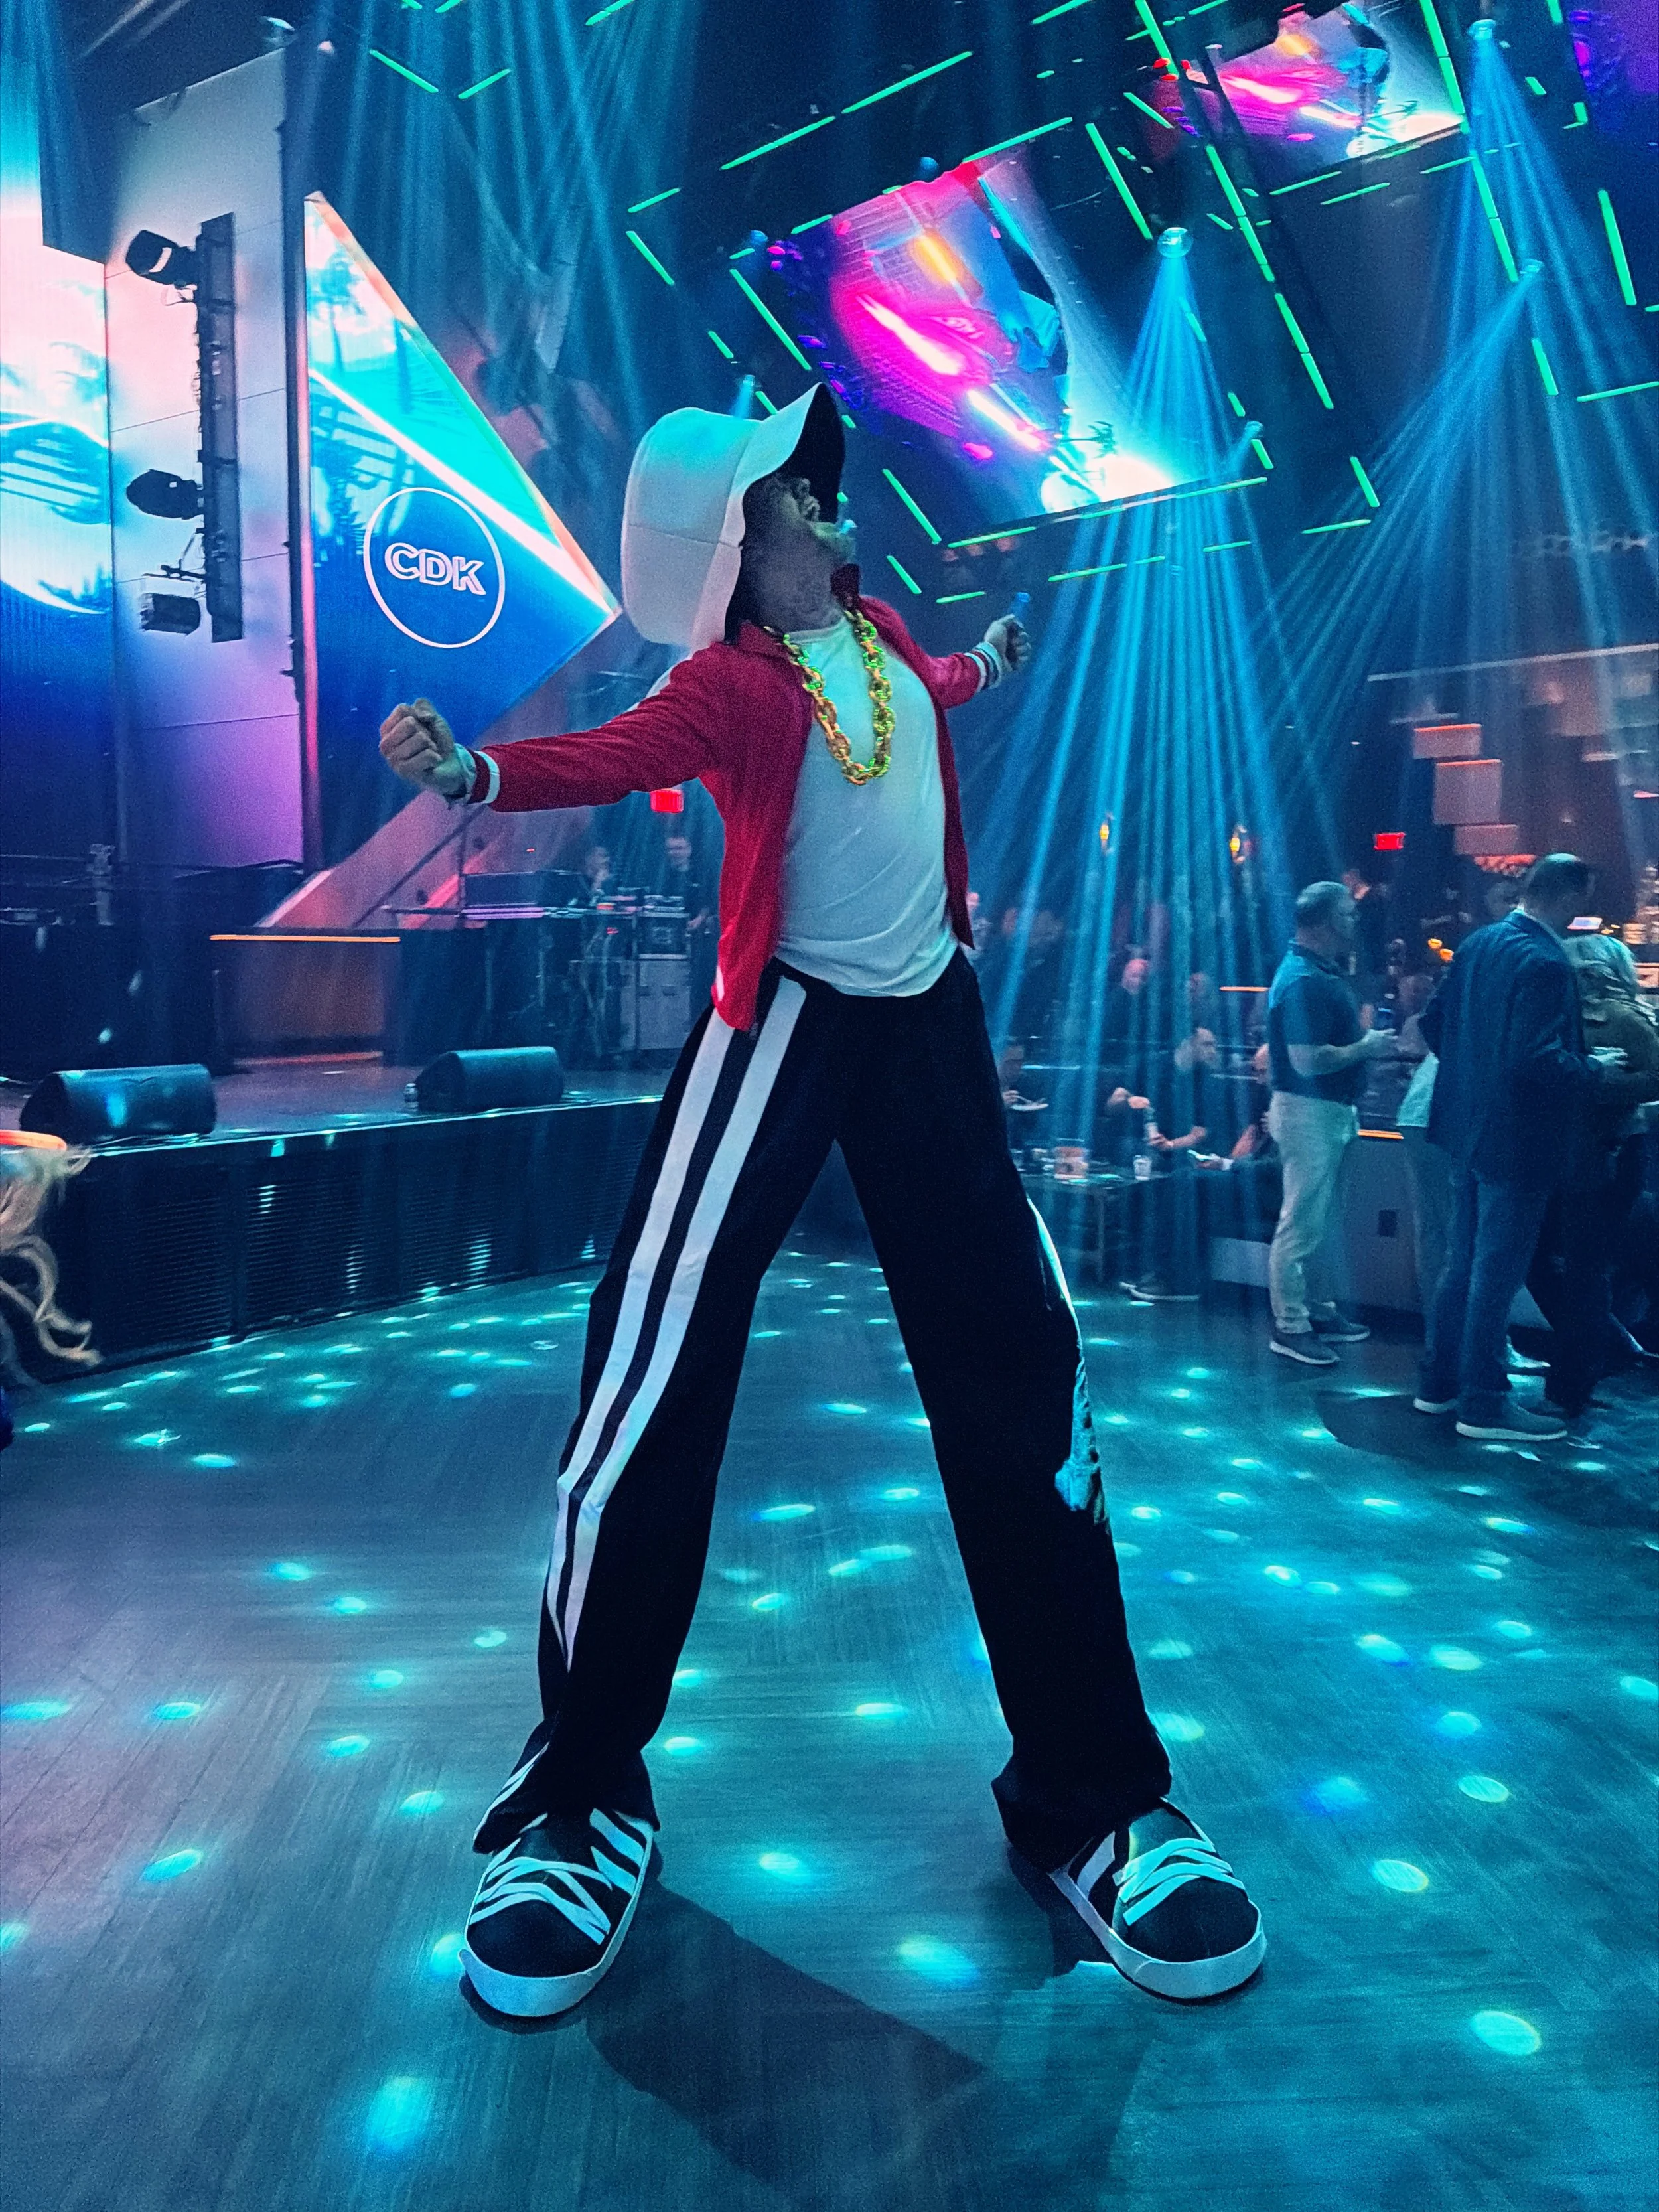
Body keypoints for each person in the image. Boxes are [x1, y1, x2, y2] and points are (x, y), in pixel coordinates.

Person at [379, 385, 1262, 2021]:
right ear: (742, 544)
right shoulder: (726, 682)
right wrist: (481, 773)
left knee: (1031, 1386)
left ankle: (1094, 1795)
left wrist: (986, 668)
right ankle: (576, 1796)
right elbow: (618, 752)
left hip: (925, 1016)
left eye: (824, 485)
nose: (836, 506)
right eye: (802, 493)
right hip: (778, 1012)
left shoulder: (884, 636)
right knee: (647, 1378)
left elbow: (922, 690)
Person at [1413, 854, 1659, 1441]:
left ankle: (1439, 1385)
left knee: (1462, 1267)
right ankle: (1484, 1403)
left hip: (1465, 1132)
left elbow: (1432, 1024)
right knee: (1496, 1274)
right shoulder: (1546, 961)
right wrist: (1594, 1068)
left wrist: (1477, 1081)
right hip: (1518, 1143)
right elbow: (1537, 1063)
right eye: (1585, 898)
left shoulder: (1478, 945)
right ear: (1569, 892)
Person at [1525, 932, 1659, 1422]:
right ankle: (1597, 1354)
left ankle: (1572, 1382)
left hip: (1609, 1155)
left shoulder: (1624, 1018)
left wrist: (1599, 1086)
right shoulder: (1560, 1018)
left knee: (1583, 1268)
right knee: (1560, 1265)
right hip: (1572, 1158)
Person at [1263, 881, 1395, 1366]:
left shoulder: (1312, 972)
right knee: (1302, 1220)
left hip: (1326, 1110)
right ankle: (1290, 1323)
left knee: (1322, 1218)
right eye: (1346, 913)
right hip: (1309, 1110)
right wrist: (1367, 1047)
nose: (1354, 919)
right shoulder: (1305, 979)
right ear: (1320, 922)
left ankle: (1316, 1309)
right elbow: (1307, 1060)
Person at [1122, 1026, 1218, 1303]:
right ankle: (1133, 1265)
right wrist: (1130, 1101)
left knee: (1172, 1173)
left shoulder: (1205, 1079)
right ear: (1189, 1043)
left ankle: (1166, 1275)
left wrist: (1170, 1145)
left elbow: (1200, 1134)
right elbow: (1115, 1100)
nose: (1214, 1052)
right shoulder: (1152, 1064)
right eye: (1208, 1045)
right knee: (1131, 1155)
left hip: (1183, 1150)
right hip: (1144, 1143)